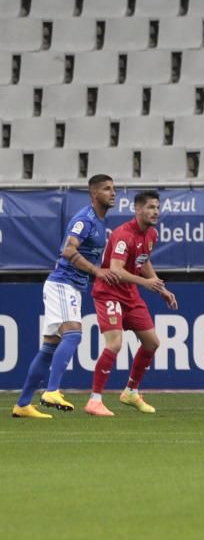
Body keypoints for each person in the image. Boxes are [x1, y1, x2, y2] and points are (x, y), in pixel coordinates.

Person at [13, 174, 121, 419]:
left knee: (48, 348)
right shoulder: (85, 219)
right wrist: (96, 271)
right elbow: (68, 250)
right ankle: (52, 390)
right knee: (73, 334)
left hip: (71, 287)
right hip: (63, 284)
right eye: (107, 189)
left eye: (114, 188)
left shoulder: (101, 223)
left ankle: (22, 404)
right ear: (94, 194)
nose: (113, 192)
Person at [87, 190, 178, 417]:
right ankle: (95, 400)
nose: (155, 211)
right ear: (137, 210)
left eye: (157, 207)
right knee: (115, 343)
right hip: (108, 293)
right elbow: (115, 270)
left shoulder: (151, 235)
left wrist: (160, 288)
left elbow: (143, 260)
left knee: (152, 343)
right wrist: (145, 283)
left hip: (130, 295)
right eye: (150, 207)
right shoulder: (122, 235)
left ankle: (130, 391)